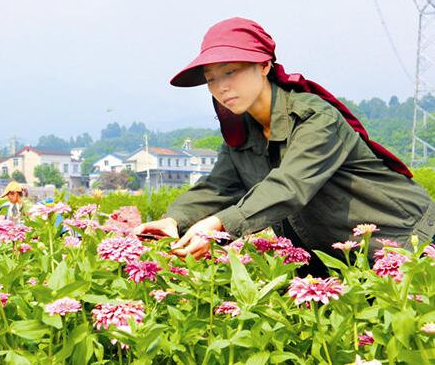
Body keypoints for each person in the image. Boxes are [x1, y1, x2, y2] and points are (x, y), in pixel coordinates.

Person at [133, 17, 435, 274]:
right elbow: (217, 189)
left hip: (412, 243)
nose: (221, 86)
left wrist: (218, 224)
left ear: (264, 66)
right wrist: (173, 220)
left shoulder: (315, 118)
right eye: (211, 79)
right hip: (343, 267)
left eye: (230, 71)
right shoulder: (242, 135)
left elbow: (289, 186)